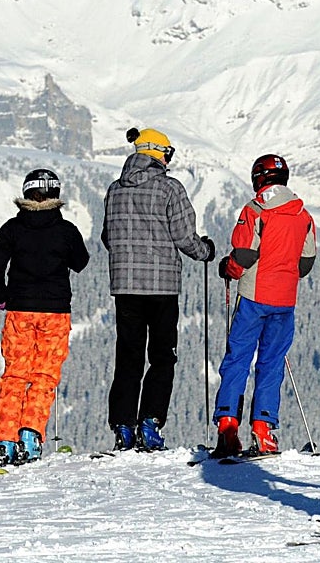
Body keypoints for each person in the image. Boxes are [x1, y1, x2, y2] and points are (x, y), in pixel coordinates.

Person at [101, 127, 215, 451]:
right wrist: (205, 250)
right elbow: (183, 237)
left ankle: (122, 427)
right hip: (163, 286)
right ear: (159, 153)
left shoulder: (115, 190)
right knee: (163, 357)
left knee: (128, 358)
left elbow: (107, 238)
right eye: (168, 153)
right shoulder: (170, 188)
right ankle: (150, 424)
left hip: (124, 286)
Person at [212, 154, 317, 457]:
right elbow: (306, 263)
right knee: (271, 365)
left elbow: (244, 255)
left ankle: (229, 427)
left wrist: (228, 268)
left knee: (238, 360)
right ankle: (264, 431)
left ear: (259, 178)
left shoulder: (255, 210)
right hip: (285, 301)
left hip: (253, 297)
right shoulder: (303, 215)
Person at [0, 168, 90, 467]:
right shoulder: (66, 230)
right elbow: (81, 262)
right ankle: (30, 437)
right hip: (55, 312)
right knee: (43, 376)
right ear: (56, 195)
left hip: (19, 310)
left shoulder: (11, 229)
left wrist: (2, 295)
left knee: (14, 376)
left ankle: (5, 440)